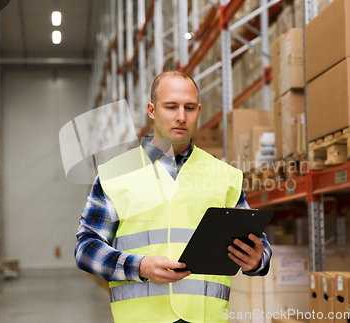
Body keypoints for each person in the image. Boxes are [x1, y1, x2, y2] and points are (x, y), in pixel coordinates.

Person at [75, 70, 272, 323]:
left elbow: (259, 245)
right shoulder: (115, 174)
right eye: (171, 107)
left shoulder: (225, 176)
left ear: (199, 111)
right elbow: (86, 248)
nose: (181, 117)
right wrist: (140, 266)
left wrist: (257, 260)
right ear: (152, 110)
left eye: (189, 108)